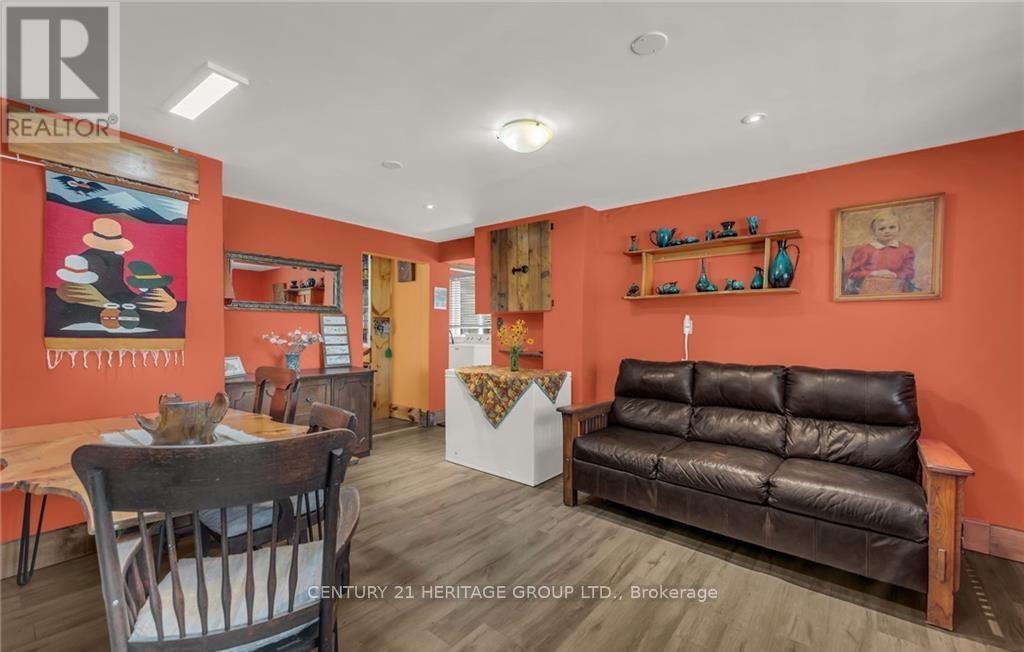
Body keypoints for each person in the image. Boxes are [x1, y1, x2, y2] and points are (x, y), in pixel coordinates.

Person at [844, 213, 916, 294]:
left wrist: (893, 274)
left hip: (897, 290)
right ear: (874, 232)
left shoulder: (906, 249)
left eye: (892, 227)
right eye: (882, 229)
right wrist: (873, 273)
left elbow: (909, 273)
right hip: (868, 291)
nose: (887, 231)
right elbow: (852, 273)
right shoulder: (863, 250)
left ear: (899, 228)